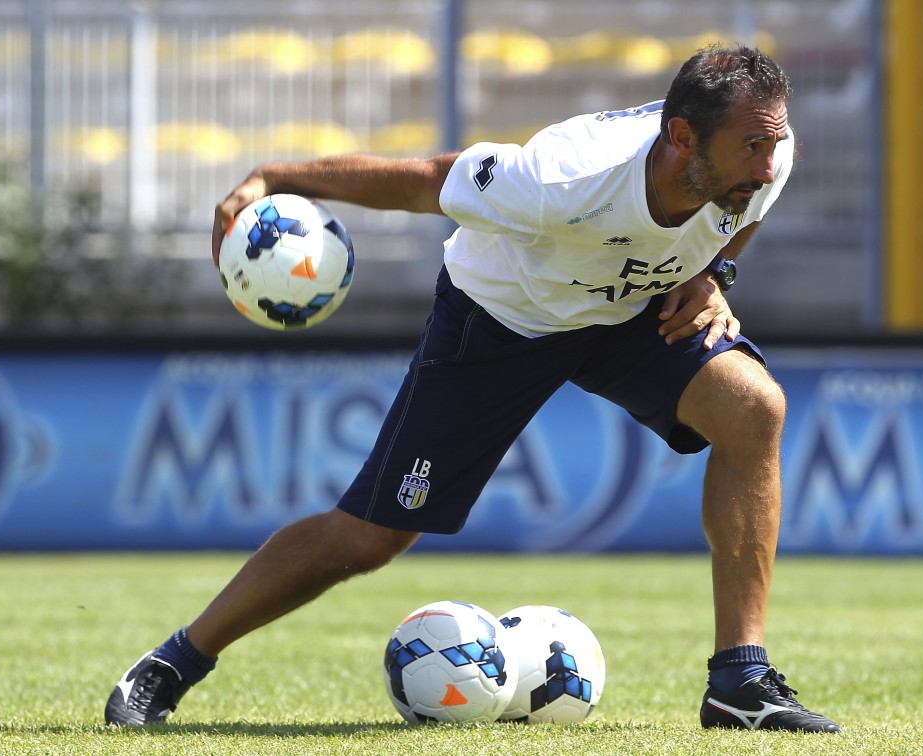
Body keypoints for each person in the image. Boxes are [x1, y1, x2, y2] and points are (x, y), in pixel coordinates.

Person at [105, 44, 840, 733]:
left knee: (754, 408)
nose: (769, 160)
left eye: (775, 142)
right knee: (367, 538)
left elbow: (740, 210)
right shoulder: (561, 178)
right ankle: (173, 662)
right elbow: (426, 179)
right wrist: (278, 176)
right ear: (681, 136)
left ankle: (738, 684)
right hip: (497, 324)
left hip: (626, 312)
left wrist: (715, 273)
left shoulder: (760, 158)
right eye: (752, 145)